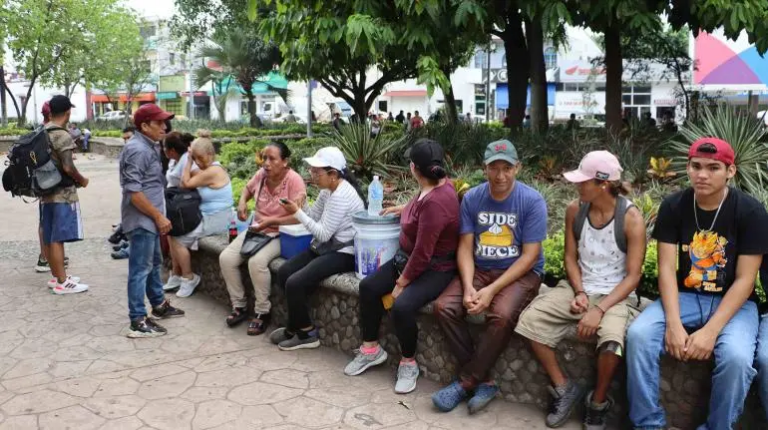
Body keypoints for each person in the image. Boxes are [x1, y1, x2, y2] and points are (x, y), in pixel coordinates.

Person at [625, 137, 768, 430]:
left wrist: (710, 332)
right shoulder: (674, 206)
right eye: (696, 166)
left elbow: (745, 279)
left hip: (735, 304)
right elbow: (666, 268)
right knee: (639, 335)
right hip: (685, 296)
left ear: (731, 171)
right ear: (688, 168)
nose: (702, 175)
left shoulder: (751, 212)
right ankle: (648, 423)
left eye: (713, 168)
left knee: (738, 359)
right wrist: (674, 325)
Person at [515, 151, 646, 429]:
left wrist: (599, 309)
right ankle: (564, 388)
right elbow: (570, 258)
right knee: (529, 322)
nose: (577, 186)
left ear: (603, 184)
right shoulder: (575, 210)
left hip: (616, 296)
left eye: (583, 181)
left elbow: (633, 277)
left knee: (612, 345)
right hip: (580, 287)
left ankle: (597, 402)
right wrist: (579, 292)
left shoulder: (631, 218)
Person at [432, 139, 547, 414]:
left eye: (506, 167)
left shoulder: (531, 201)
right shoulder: (473, 198)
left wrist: (492, 290)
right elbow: (465, 247)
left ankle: (466, 381)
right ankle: (486, 380)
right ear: (484, 169)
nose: (500, 175)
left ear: (517, 167)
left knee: (501, 315)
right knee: (444, 307)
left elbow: (530, 256)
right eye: (494, 168)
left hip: (520, 273)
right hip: (481, 269)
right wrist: (470, 286)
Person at [344, 139, 459, 394]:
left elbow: (423, 252)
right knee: (369, 287)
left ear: (414, 168)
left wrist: (401, 283)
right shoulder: (433, 185)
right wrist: (402, 208)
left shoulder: (438, 202)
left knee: (402, 306)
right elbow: (420, 207)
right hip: (409, 259)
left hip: (434, 269)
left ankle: (408, 363)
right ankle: (371, 349)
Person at [268, 147, 365, 351]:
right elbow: (315, 218)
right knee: (284, 272)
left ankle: (307, 333)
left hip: (344, 253)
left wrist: (297, 213)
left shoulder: (341, 195)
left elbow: (322, 234)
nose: (312, 175)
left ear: (333, 174)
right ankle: (294, 326)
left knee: (295, 283)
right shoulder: (327, 191)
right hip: (327, 247)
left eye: (316, 172)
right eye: (312, 171)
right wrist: (301, 206)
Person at [219, 142, 307, 335]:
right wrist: (242, 203)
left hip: (281, 232)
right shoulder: (261, 175)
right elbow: (247, 190)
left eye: (272, 159)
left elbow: (298, 216)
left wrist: (271, 221)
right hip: (258, 229)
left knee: (256, 262)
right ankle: (239, 306)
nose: (266, 163)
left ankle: (262, 312)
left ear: (285, 162)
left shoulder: (294, 181)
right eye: (264, 158)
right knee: (226, 258)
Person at [120, 103, 186, 338]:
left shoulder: (149, 146)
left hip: (149, 220)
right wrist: (158, 216)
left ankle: (158, 305)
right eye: (158, 122)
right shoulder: (138, 149)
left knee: (154, 262)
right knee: (140, 269)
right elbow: (134, 191)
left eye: (164, 121)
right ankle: (137, 320)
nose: (164, 126)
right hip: (142, 220)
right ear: (144, 125)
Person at [165, 130, 234, 298]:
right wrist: (192, 161)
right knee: (169, 231)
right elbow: (185, 178)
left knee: (177, 238)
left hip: (217, 219)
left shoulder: (213, 171)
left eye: (200, 158)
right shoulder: (207, 168)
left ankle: (189, 277)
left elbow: (184, 183)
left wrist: (188, 160)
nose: (198, 162)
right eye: (195, 158)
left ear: (210, 154)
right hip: (206, 216)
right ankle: (176, 273)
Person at [41, 95, 90, 295]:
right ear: (68, 112)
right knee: (58, 237)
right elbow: (68, 167)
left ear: (50, 112)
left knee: (50, 234)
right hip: (62, 192)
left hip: (45, 191)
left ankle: (56, 276)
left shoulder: (42, 131)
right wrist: (82, 179)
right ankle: (62, 282)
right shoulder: (62, 135)